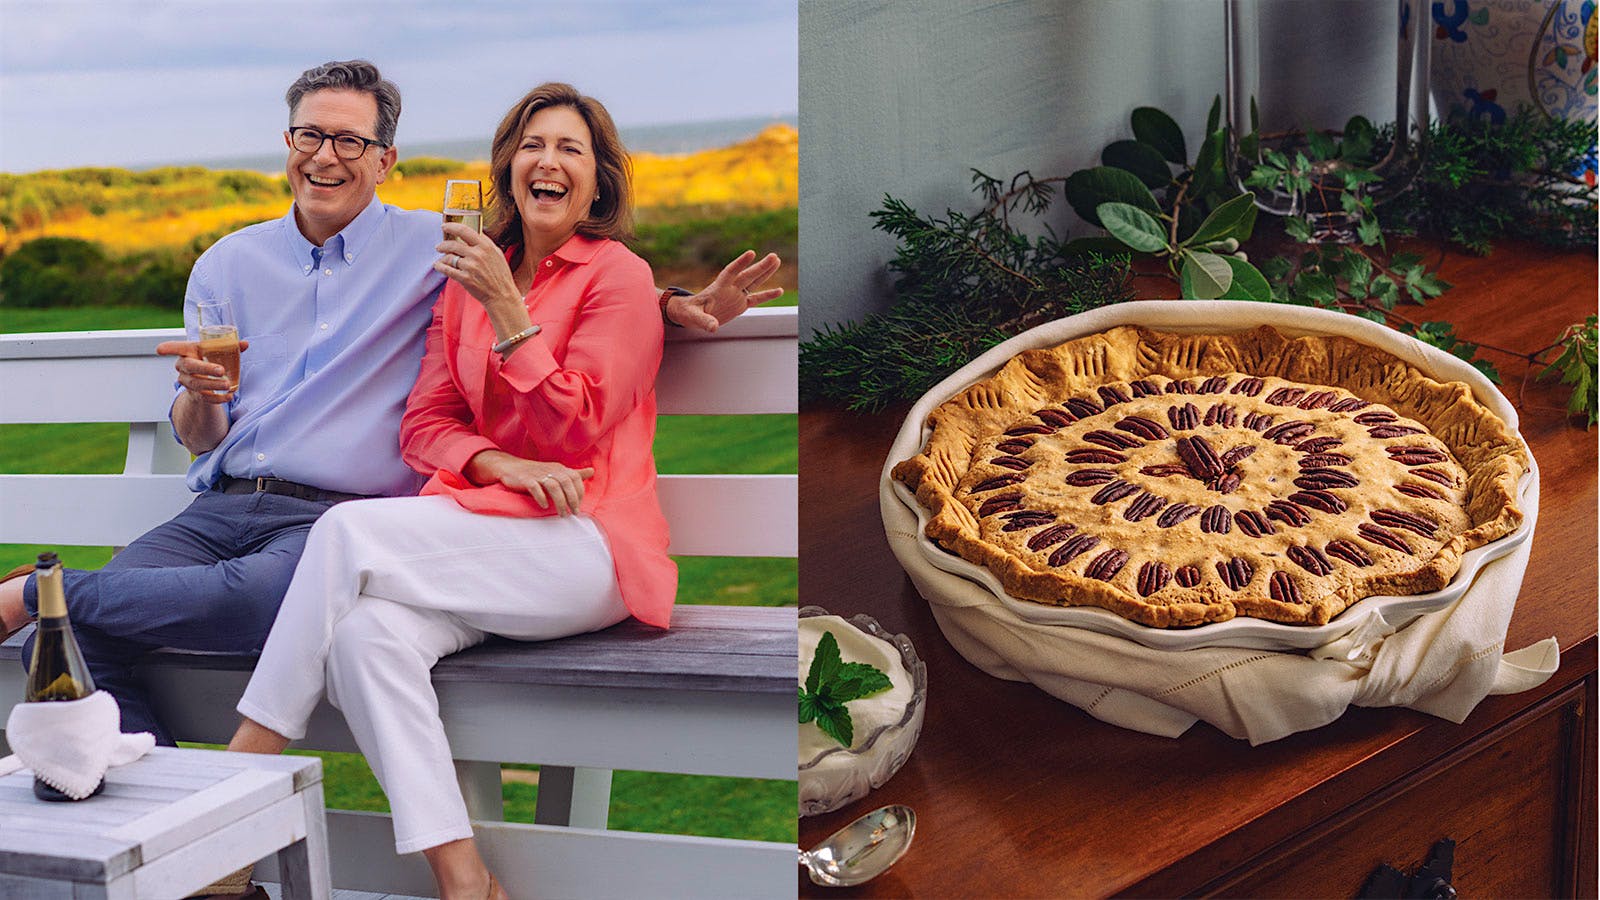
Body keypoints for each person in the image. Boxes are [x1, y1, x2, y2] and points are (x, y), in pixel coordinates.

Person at [0, 59, 782, 747]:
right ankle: (177, 838)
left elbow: (568, 278)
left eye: (350, 142)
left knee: (231, 607)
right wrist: (201, 399)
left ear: (386, 160)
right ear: (288, 145)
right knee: (81, 639)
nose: (326, 156)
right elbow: (201, 438)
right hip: (220, 508)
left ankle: (30, 591)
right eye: (311, 136)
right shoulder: (226, 263)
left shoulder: (436, 248)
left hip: (334, 522)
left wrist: (672, 303)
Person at [226, 81, 677, 899]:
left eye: (569, 149)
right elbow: (424, 424)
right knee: (367, 637)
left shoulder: (619, 278)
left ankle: (230, 795)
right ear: (507, 171)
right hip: (492, 536)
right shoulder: (474, 274)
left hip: (590, 547)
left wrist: (509, 311)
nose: (548, 161)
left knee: (347, 533)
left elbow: (574, 429)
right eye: (532, 147)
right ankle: (467, 882)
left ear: (599, 180)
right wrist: (497, 464)